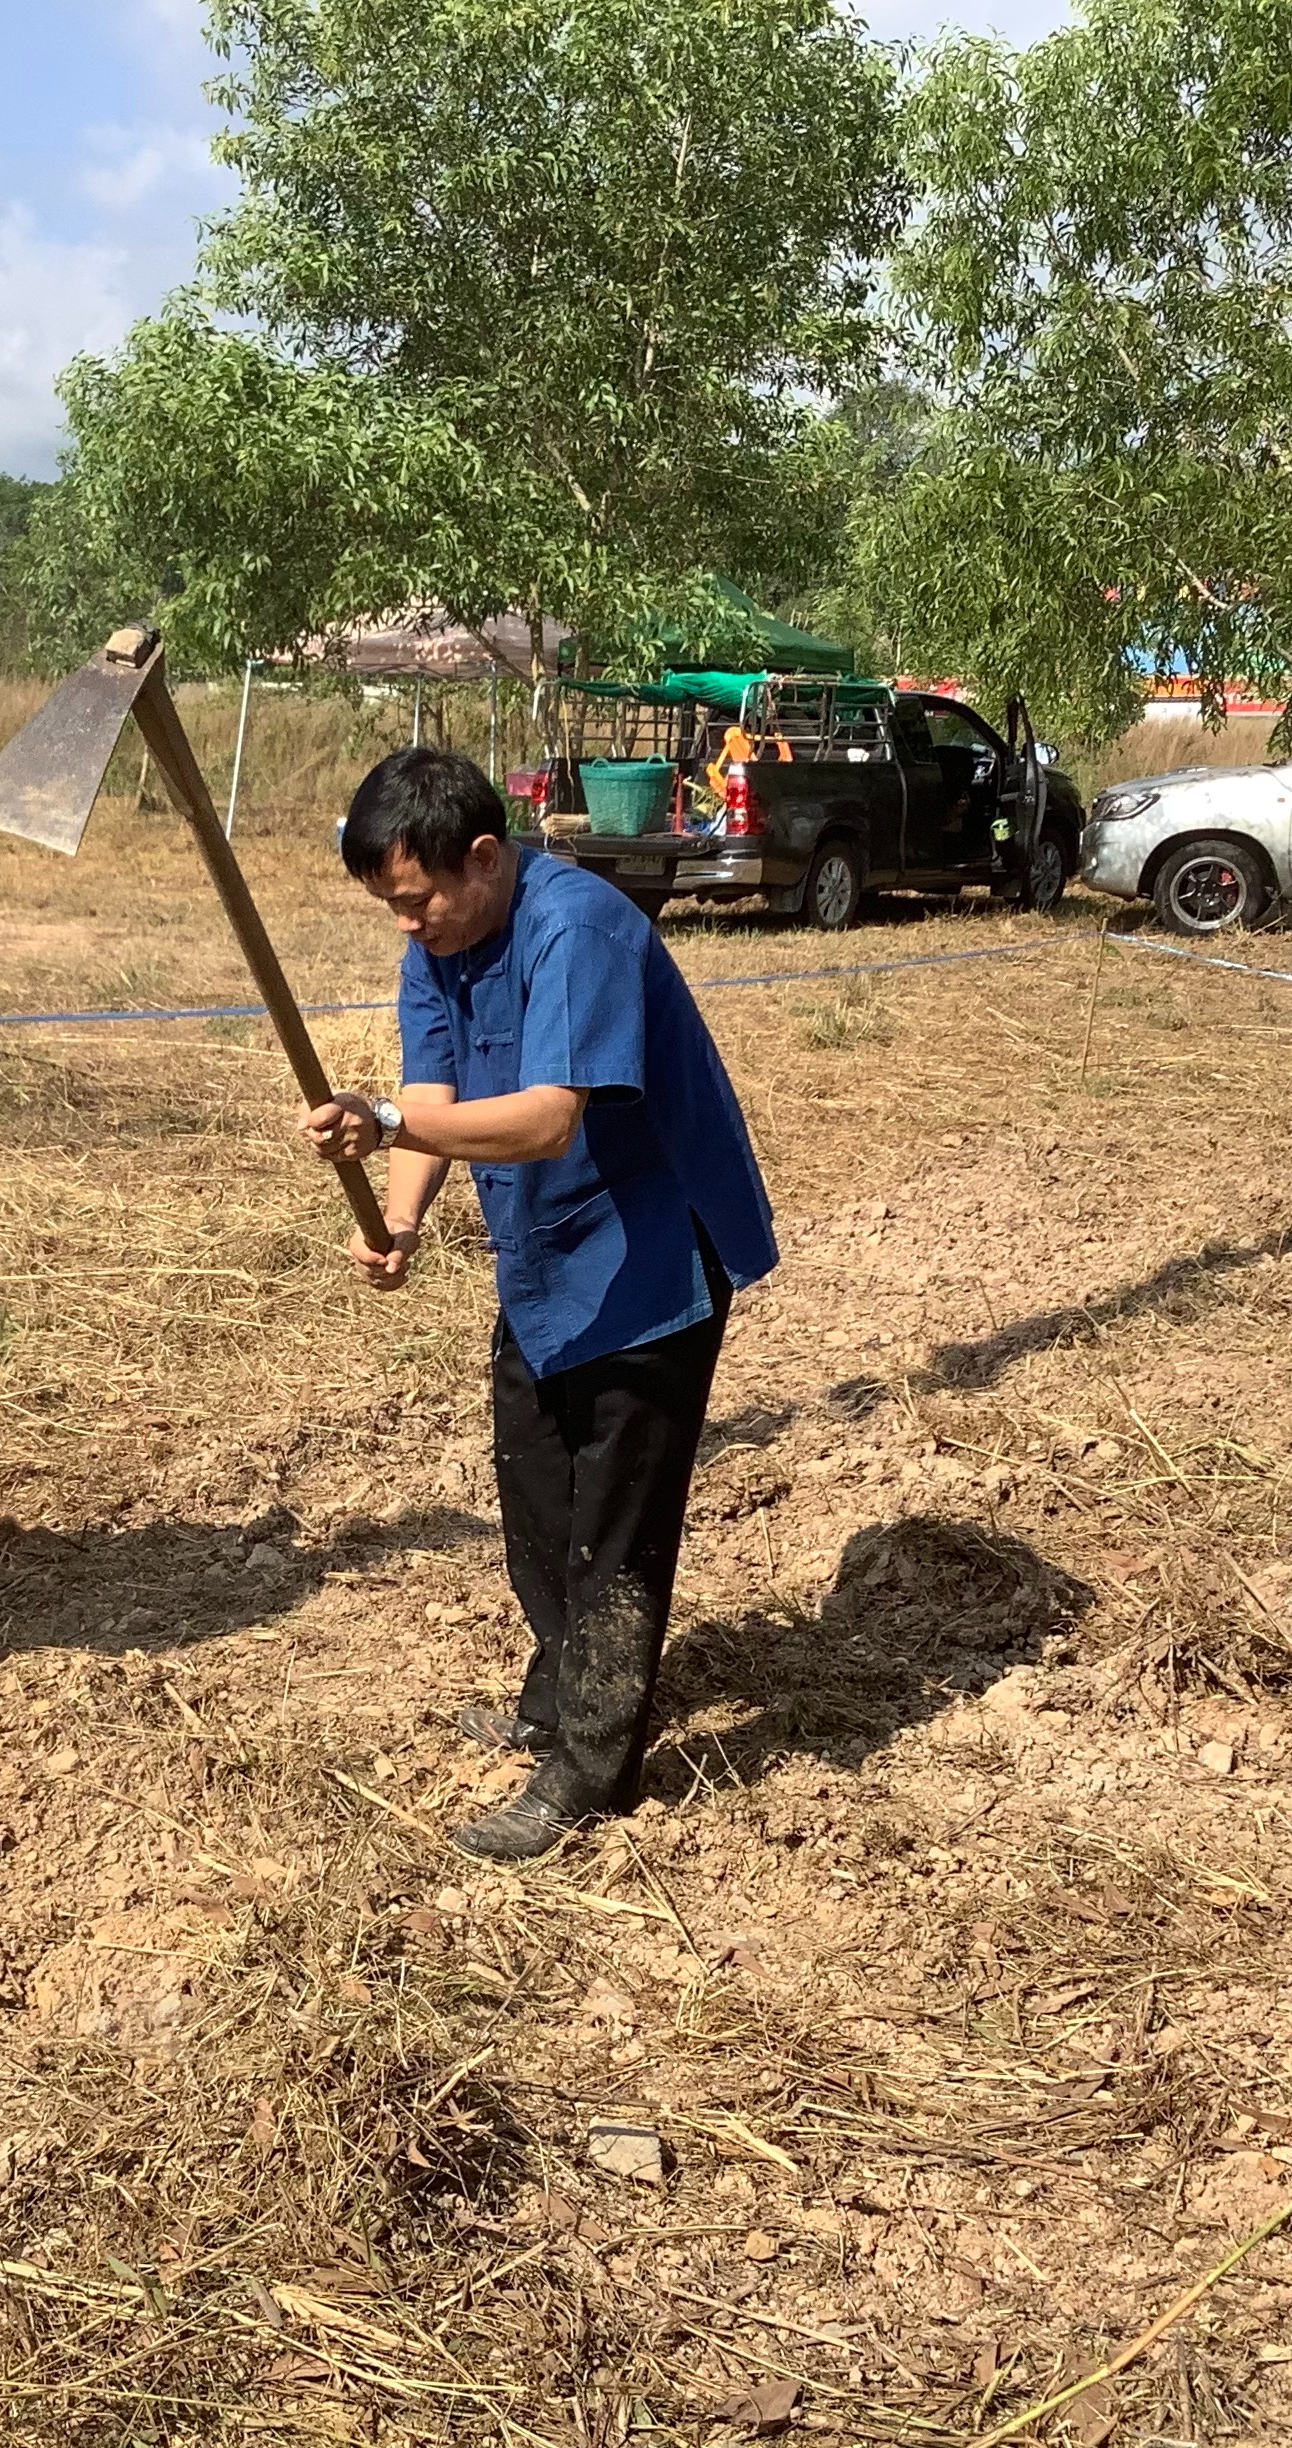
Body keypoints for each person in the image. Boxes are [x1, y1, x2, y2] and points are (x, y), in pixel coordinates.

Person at [296, 748, 779, 1861]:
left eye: (416, 899)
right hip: (551, 1258)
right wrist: (403, 1219)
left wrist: (384, 1127)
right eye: (391, 907)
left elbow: (549, 1118)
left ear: (483, 856)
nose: (407, 925)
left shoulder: (577, 929)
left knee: (613, 1526)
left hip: (652, 1263)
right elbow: (433, 1095)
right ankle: (559, 1697)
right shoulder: (440, 940)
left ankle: (589, 1770)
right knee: (538, 1501)